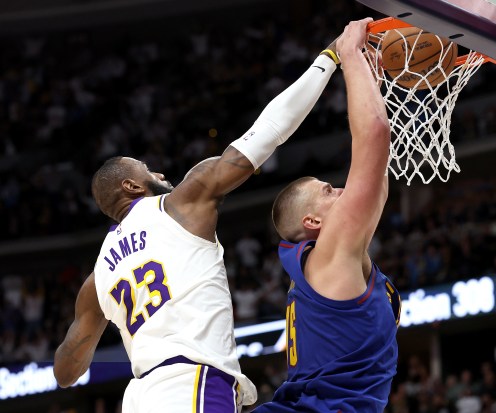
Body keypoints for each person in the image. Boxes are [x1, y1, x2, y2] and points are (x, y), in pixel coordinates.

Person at [53, 34, 342, 412]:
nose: (158, 171)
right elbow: (268, 131)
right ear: (131, 185)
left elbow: (65, 371)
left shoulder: (97, 279)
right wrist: (329, 58)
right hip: (191, 383)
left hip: (141, 397)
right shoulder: (180, 203)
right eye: (146, 169)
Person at [255, 18, 400, 412]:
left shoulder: (327, 262)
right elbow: (374, 136)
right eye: (328, 191)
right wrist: (349, 54)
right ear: (312, 223)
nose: (341, 190)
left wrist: (371, 79)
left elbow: (376, 182)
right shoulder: (330, 255)